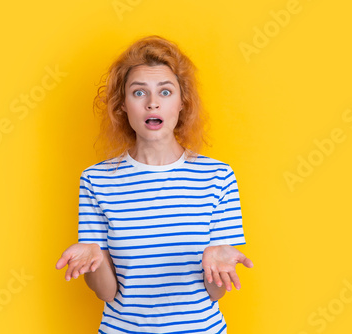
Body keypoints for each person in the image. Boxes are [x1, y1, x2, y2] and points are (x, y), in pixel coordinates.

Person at [55, 35, 254, 334]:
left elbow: (213, 295)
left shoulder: (217, 176)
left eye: (165, 91)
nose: (152, 103)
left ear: (182, 103)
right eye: (139, 93)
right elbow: (107, 293)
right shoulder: (96, 180)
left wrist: (217, 270)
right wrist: (95, 263)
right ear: (122, 105)